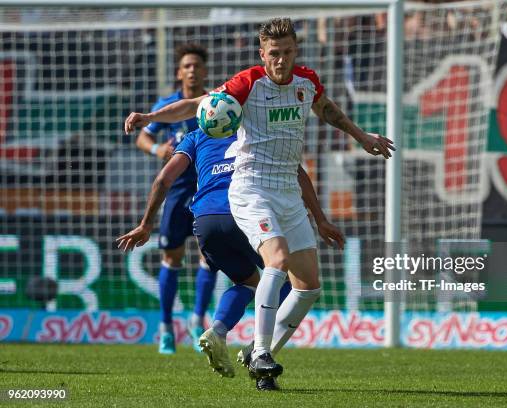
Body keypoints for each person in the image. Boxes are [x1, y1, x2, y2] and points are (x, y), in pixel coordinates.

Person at [124, 17, 393, 386]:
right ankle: (262, 352)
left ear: (295, 51)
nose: (279, 61)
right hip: (251, 188)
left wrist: (362, 137)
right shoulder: (246, 83)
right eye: (272, 54)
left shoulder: (306, 82)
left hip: (287, 191)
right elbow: (196, 106)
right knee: (276, 260)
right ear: (261, 54)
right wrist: (150, 118)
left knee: (309, 287)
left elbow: (328, 109)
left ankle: (256, 351)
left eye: (286, 53)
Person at [117, 127, 344, 390]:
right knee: (286, 281)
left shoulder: (196, 136)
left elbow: (163, 179)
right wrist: (320, 218)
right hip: (244, 211)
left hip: (205, 221)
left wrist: (145, 225)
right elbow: (295, 171)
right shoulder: (257, 133)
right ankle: (261, 358)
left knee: (248, 282)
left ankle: (218, 331)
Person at [134, 43, 216, 354]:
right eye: (187, 66)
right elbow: (144, 136)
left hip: (209, 188)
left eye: (197, 65)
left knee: (209, 258)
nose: (192, 70)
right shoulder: (168, 105)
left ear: (205, 70)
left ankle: (197, 321)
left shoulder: (214, 105)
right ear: (179, 72)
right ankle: (166, 327)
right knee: (172, 258)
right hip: (177, 190)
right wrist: (157, 150)